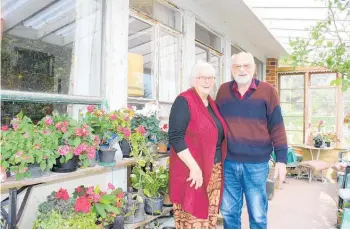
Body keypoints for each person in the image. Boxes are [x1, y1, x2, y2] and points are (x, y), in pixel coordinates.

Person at [216, 52, 288, 229]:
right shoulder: (223, 91)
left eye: (246, 65)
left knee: (257, 214)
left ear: (254, 68)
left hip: (257, 165)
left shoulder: (267, 91)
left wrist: (281, 160)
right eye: (237, 66)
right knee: (229, 213)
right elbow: (215, 124)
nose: (241, 70)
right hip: (229, 163)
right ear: (231, 69)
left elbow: (277, 126)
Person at [168, 60, 228, 229]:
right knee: (193, 221)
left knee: (209, 220)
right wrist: (195, 168)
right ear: (193, 80)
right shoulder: (184, 101)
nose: (207, 81)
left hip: (213, 172)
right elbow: (176, 137)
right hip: (192, 174)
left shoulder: (211, 103)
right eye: (202, 77)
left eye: (211, 77)